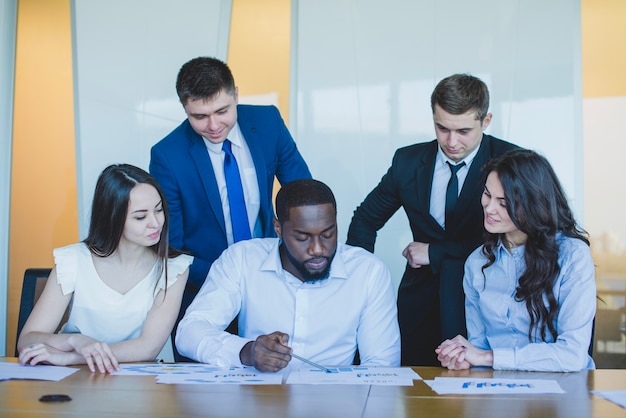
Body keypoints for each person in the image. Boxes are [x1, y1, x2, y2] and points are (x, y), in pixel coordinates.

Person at [347, 74, 519, 366]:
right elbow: (364, 219)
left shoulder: (511, 160)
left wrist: (434, 253)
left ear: (486, 121)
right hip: (419, 304)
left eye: (463, 131)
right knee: (413, 399)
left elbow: (515, 235)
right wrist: (360, 281)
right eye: (442, 128)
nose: (452, 142)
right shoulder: (408, 161)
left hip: (484, 303)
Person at [149, 57, 312, 359]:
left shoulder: (268, 124)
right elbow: (171, 248)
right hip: (204, 295)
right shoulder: (167, 156)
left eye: (222, 111)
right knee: (201, 402)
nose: (213, 126)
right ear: (184, 108)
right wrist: (232, 281)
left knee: (273, 394)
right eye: (199, 116)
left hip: (273, 289)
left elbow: (304, 197)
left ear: (236, 94)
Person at [176, 179, 400, 371]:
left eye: (328, 234)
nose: (317, 249)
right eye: (302, 237)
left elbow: (382, 365)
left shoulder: (368, 272)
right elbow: (189, 331)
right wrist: (247, 351)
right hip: (257, 404)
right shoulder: (242, 259)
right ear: (278, 228)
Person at [17, 164, 192, 374]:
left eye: (159, 209)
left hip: (138, 386)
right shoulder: (73, 260)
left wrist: (71, 357)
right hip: (73, 380)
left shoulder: (174, 268)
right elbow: (27, 340)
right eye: (140, 217)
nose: (155, 223)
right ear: (113, 218)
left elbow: (148, 348)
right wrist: (76, 341)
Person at [436, 150, 596, 372]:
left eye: (503, 202)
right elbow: (479, 347)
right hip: (499, 392)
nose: (489, 208)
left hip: (564, 391)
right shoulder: (476, 263)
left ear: (534, 204)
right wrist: (465, 358)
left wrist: (486, 357)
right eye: (487, 194)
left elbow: (572, 356)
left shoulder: (572, 255)